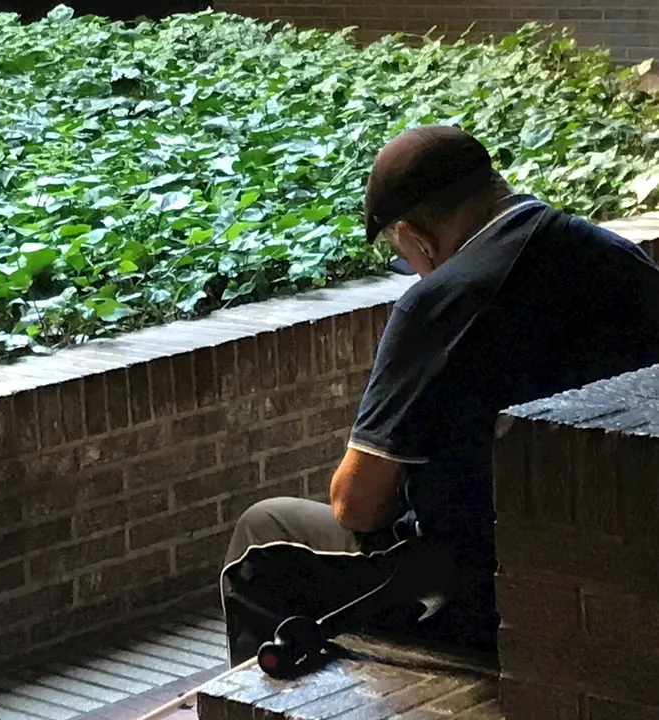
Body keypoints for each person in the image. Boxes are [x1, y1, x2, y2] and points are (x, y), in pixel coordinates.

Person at [222, 125, 659, 664]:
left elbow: (357, 505)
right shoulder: (619, 260)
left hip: (466, 584)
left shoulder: (438, 305)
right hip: (618, 553)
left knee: (265, 526)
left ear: (415, 236)